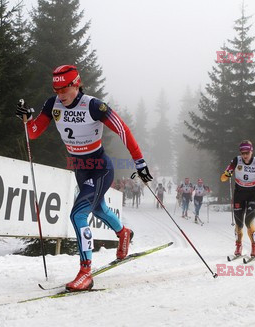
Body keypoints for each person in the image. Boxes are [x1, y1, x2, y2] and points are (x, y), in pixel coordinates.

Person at [15, 65, 153, 291]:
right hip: (80, 167)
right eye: (56, 89)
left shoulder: (94, 105)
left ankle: (85, 272)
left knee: (78, 214)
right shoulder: (53, 104)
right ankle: (123, 232)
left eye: (64, 89)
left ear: (76, 84)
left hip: (100, 167)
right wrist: (27, 119)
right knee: (98, 210)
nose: (60, 94)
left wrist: (139, 161)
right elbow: (33, 132)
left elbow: (123, 130)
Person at [220, 140, 255, 257]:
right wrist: (227, 174)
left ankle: (254, 246)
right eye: (242, 153)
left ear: (251, 151)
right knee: (239, 223)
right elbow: (223, 178)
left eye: (247, 153)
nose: (244, 155)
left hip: (252, 195)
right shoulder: (236, 160)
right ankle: (238, 245)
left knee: (248, 222)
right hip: (239, 194)